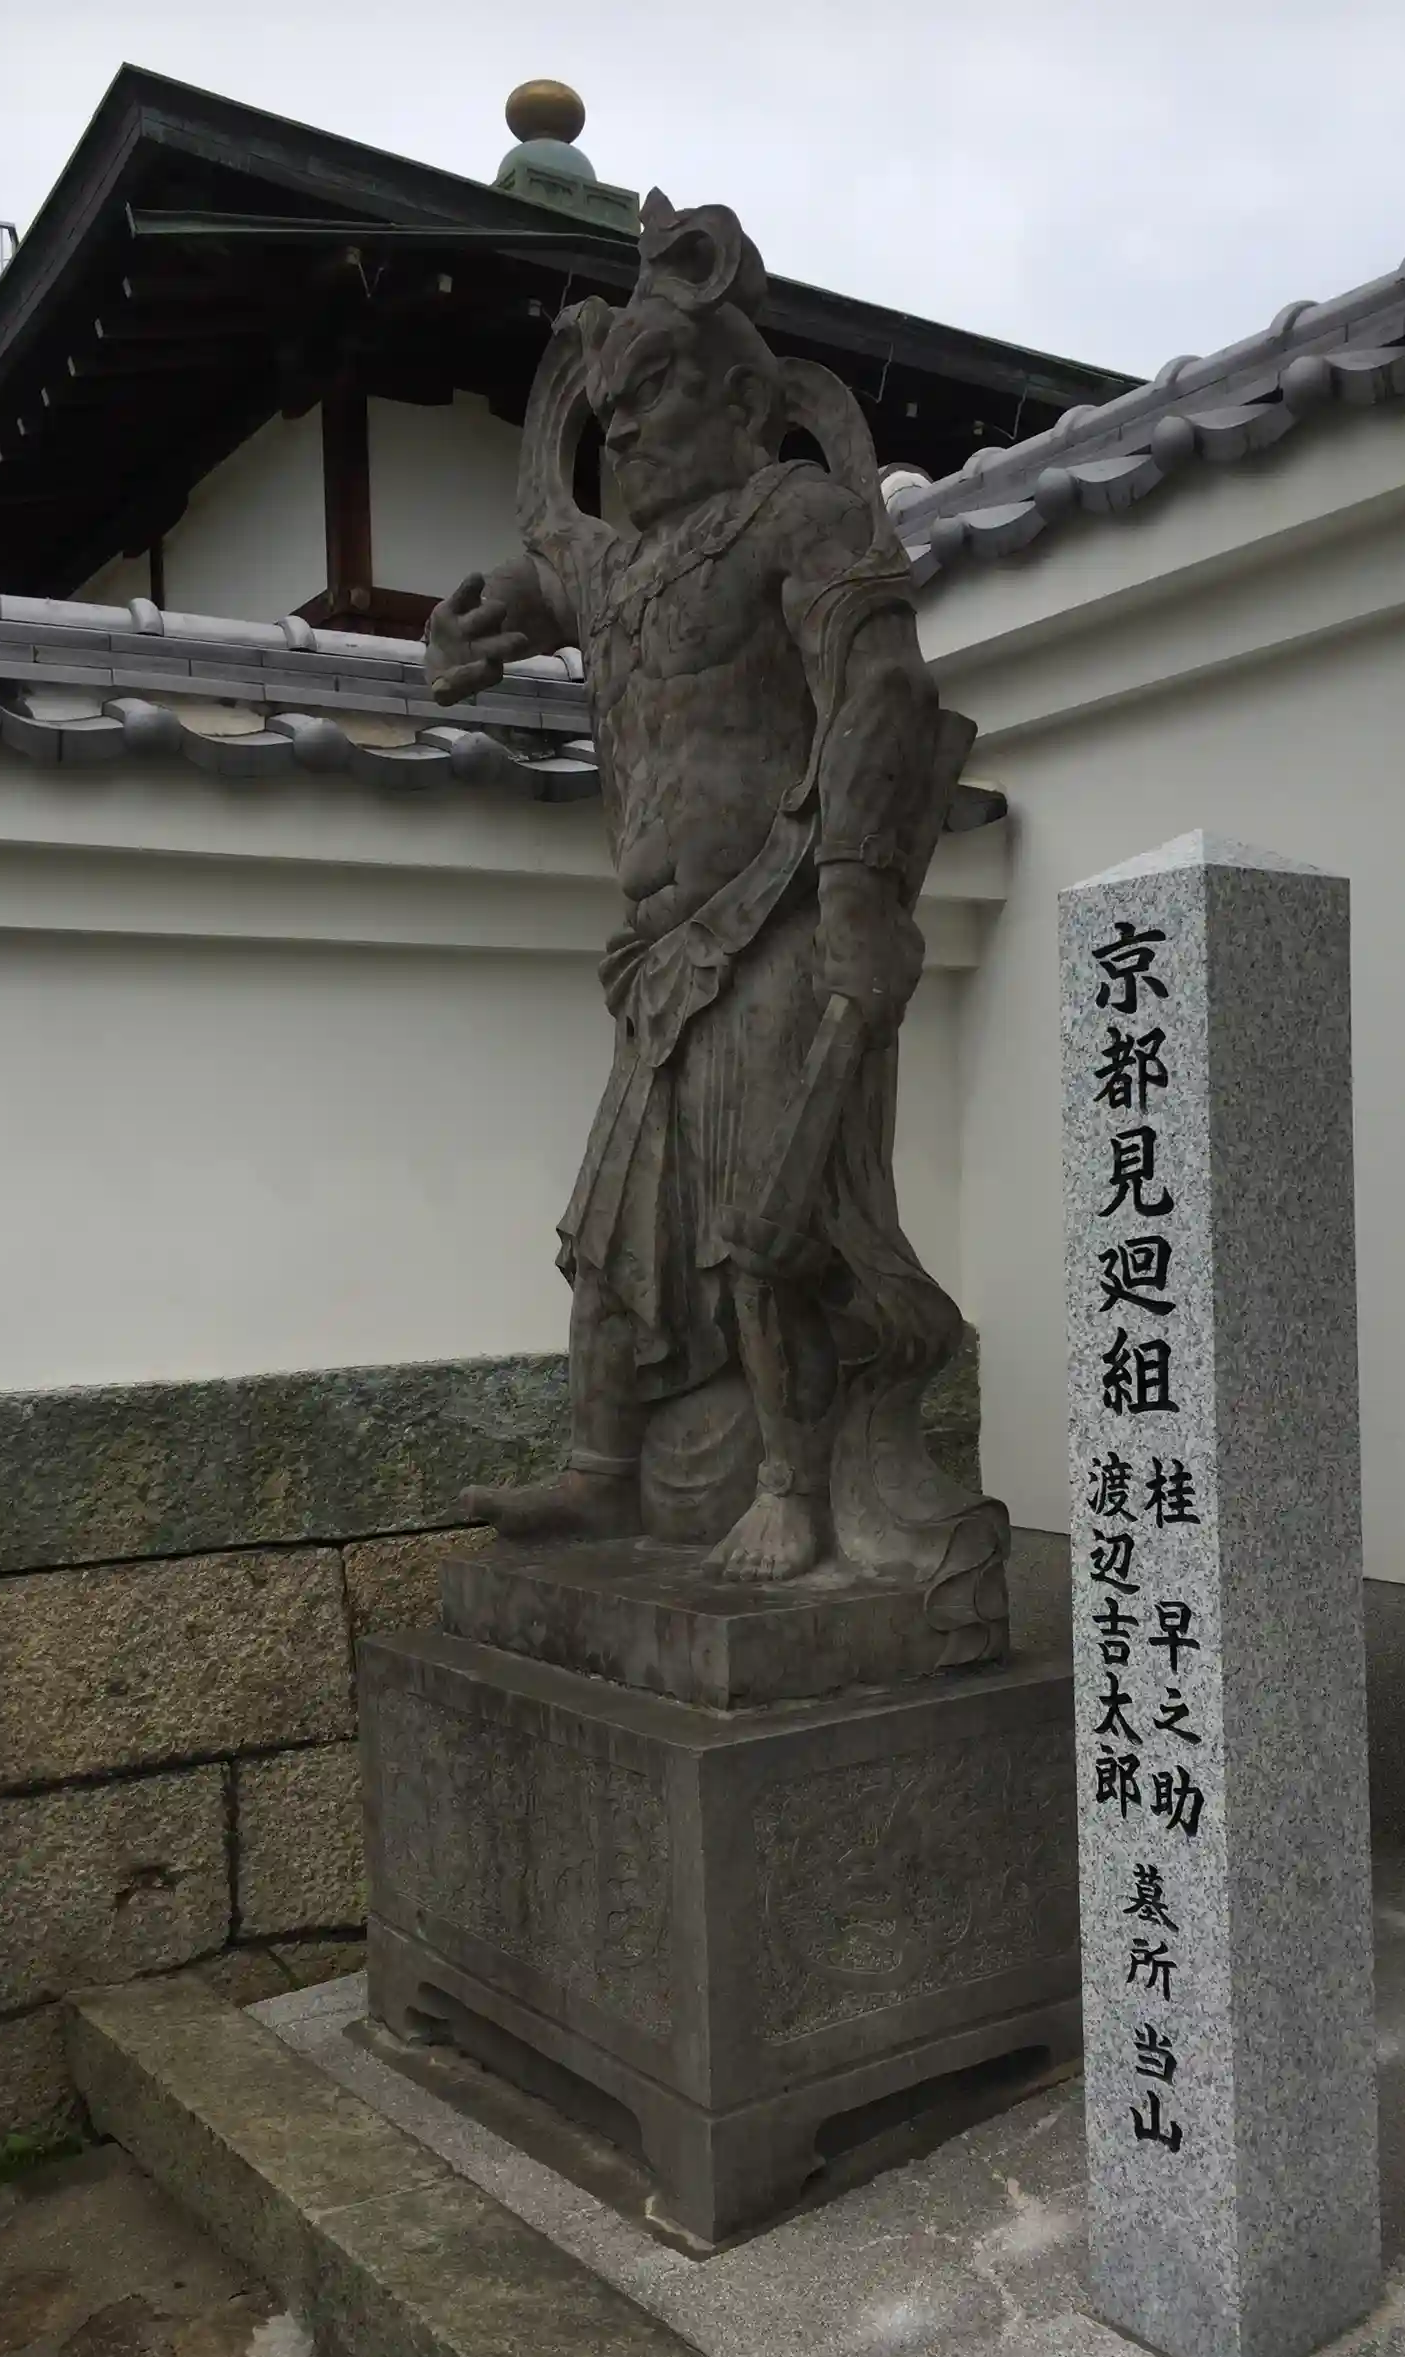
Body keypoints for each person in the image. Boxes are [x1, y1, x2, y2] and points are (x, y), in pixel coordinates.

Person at [425, 195, 1006, 1656]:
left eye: (657, 390)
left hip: (784, 908)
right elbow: (549, 583)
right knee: (611, 1234)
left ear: (746, 402)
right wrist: (479, 613)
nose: (625, 427)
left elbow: (880, 694)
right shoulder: (623, 567)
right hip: (661, 956)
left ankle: (797, 1490)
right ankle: (601, 1470)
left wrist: (860, 890)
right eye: (610, 404)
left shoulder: (797, 517)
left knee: (769, 1225)